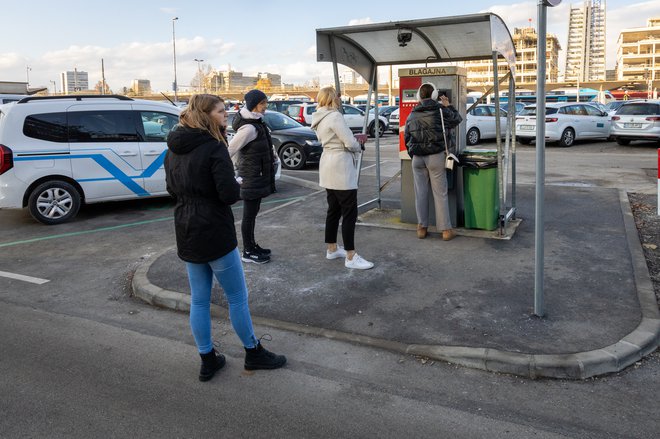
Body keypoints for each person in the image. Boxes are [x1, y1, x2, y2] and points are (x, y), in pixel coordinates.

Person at [164, 94, 286, 382]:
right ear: (207, 116)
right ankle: (253, 352)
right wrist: (233, 182)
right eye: (220, 112)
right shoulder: (213, 147)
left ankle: (208, 359)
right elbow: (229, 195)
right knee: (236, 298)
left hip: (186, 228)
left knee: (199, 300)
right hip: (214, 230)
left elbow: (171, 188)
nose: (225, 116)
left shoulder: (173, 148)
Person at [311, 86, 374, 270]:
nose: (340, 99)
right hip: (341, 166)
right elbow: (349, 143)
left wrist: (350, 140)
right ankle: (351, 256)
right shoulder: (335, 116)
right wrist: (359, 142)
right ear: (332, 99)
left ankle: (331, 248)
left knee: (333, 210)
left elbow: (334, 138)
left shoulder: (318, 117)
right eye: (338, 97)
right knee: (349, 212)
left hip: (327, 164)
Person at [404, 83, 462, 241]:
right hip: (435, 157)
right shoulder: (441, 111)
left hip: (417, 159)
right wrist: (448, 106)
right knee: (440, 194)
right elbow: (457, 119)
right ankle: (445, 231)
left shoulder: (412, 114)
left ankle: (421, 228)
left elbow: (407, 137)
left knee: (420, 193)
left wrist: (413, 153)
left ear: (419, 96)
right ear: (435, 95)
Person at [228, 89, 279, 264]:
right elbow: (230, 149)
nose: (265, 106)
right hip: (251, 177)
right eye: (262, 103)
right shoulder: (249, 128)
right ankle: (248, 251)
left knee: (253, 214)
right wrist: (234, 169)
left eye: (265, 103)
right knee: (249, 216)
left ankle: (252, 245)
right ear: (253, 105)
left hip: (256, 176)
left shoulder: (256, 122)